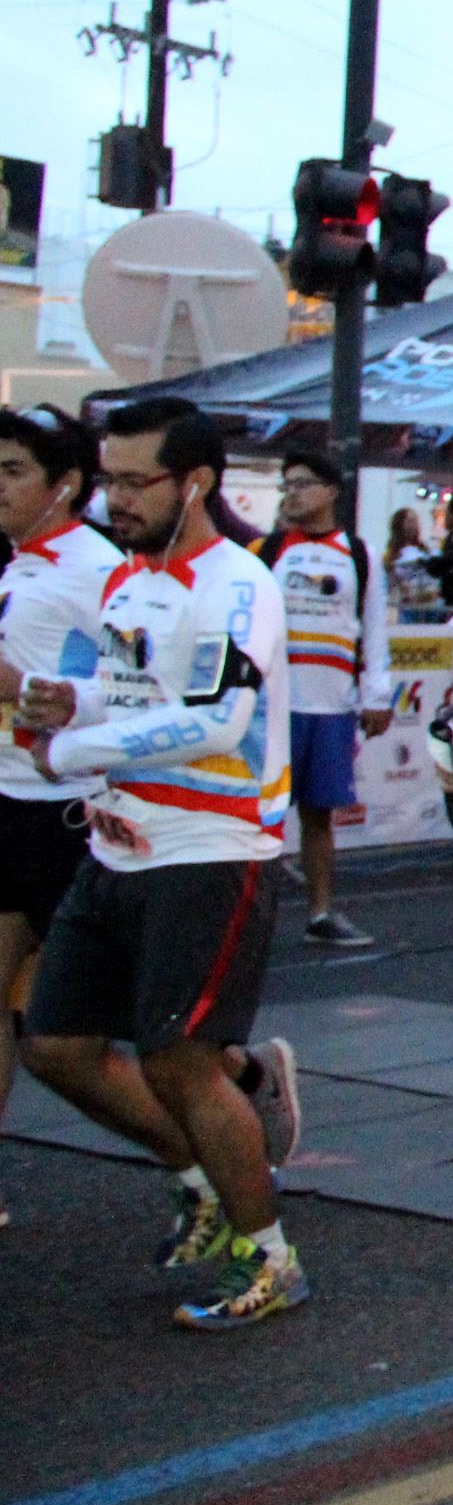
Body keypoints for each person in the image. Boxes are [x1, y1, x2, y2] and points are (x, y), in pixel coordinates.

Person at [14, 397, 308, 1326]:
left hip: (209, 850)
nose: (117, 499)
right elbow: (131, 686)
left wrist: (73, 751)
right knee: (56, 1045)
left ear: (198, 484)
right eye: (109, 479)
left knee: (179, 1061)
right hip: (117, 843)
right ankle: (204, 1180)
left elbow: (217, 719)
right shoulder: (129, 580)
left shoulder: (238, 585)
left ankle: (269, 1255)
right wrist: (70, 699)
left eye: (136, 482)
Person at [0, 409, 128, 1224]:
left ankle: (236, 1094)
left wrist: (24, 693)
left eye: (13, 470)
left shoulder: (101, 570)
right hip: (9, 801)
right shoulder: (17, 563)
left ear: (66, 485)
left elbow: (134, 697)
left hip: (70, 813)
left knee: (72, 1034)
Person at [256, 446, 394, 949]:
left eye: (302, 484)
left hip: (332, 705)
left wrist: (376, 695)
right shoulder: (266, 551)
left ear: (331, 491)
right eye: (286, 485)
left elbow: (374, 631)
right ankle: (250, 917)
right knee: (261, 816)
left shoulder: (359, 554)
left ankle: (320, 913)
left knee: (319, 817)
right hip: (274, 709)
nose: (291, 494)